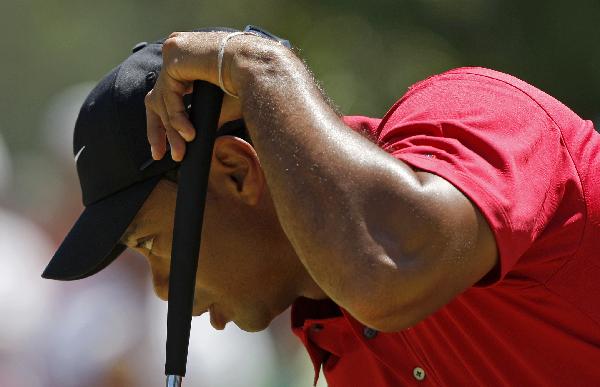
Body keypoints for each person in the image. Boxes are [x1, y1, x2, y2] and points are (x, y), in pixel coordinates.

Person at [43, 26, 600, 386]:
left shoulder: (472, 112)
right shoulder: (341, 348)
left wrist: (258, 68)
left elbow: (388, 270)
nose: (163, 288)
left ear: (235, 174)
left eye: (148, 244)